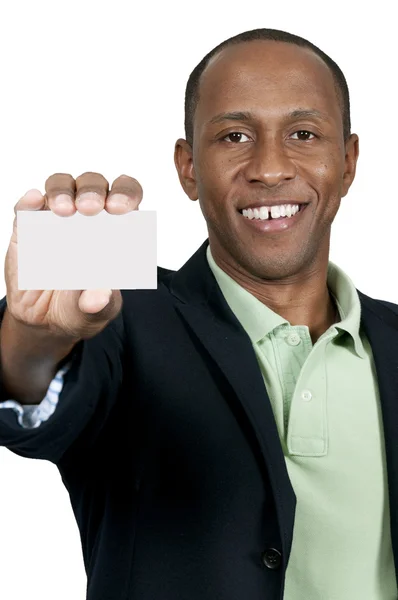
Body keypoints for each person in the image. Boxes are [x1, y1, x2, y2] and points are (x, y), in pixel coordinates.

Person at [0, 27, 397, 600]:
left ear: (348, 161)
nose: (269, 168)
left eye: (303, 133)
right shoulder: (122, 315)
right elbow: (29, 399)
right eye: (234, 135)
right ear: (187, 167)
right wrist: (33, 337)